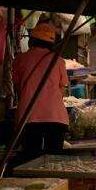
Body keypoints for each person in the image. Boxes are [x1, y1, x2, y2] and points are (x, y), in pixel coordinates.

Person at [13, 23, 68, 161]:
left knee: (30, 161)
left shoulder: (19, 60)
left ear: (32, 40)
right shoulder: (59, 61)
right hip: (55, 117)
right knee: (55, 162)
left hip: (28, 116)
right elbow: (62, 89)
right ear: (51, 43)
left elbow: (17, 87)